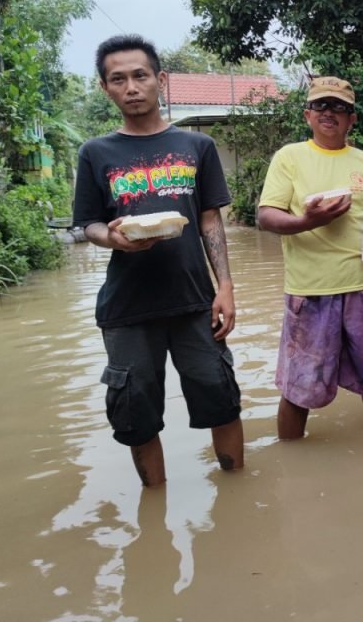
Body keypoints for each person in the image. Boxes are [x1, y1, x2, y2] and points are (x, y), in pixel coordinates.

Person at [72, 34, 243, 486]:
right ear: (105, 88)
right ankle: (155, 507)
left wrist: (224, 287)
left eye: (140, 75)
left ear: (160, 80)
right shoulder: (96, 153)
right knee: (135, 415)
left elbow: (209, 221)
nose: (131, 86)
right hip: (127, 310)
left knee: (220, 398)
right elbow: (87, 225)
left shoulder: (196, 147)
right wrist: (111, 238)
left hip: (194, 302)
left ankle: (237, 494)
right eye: (118, 78)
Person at [256, 76, 363, 439]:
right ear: (307, 115)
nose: (329, 113)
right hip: (310, 291)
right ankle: (290, 458)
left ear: (353, 120)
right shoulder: (289, 158)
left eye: (340, 108)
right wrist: (306, 221)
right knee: (299, 387)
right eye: (321, 105)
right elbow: (266, 215)